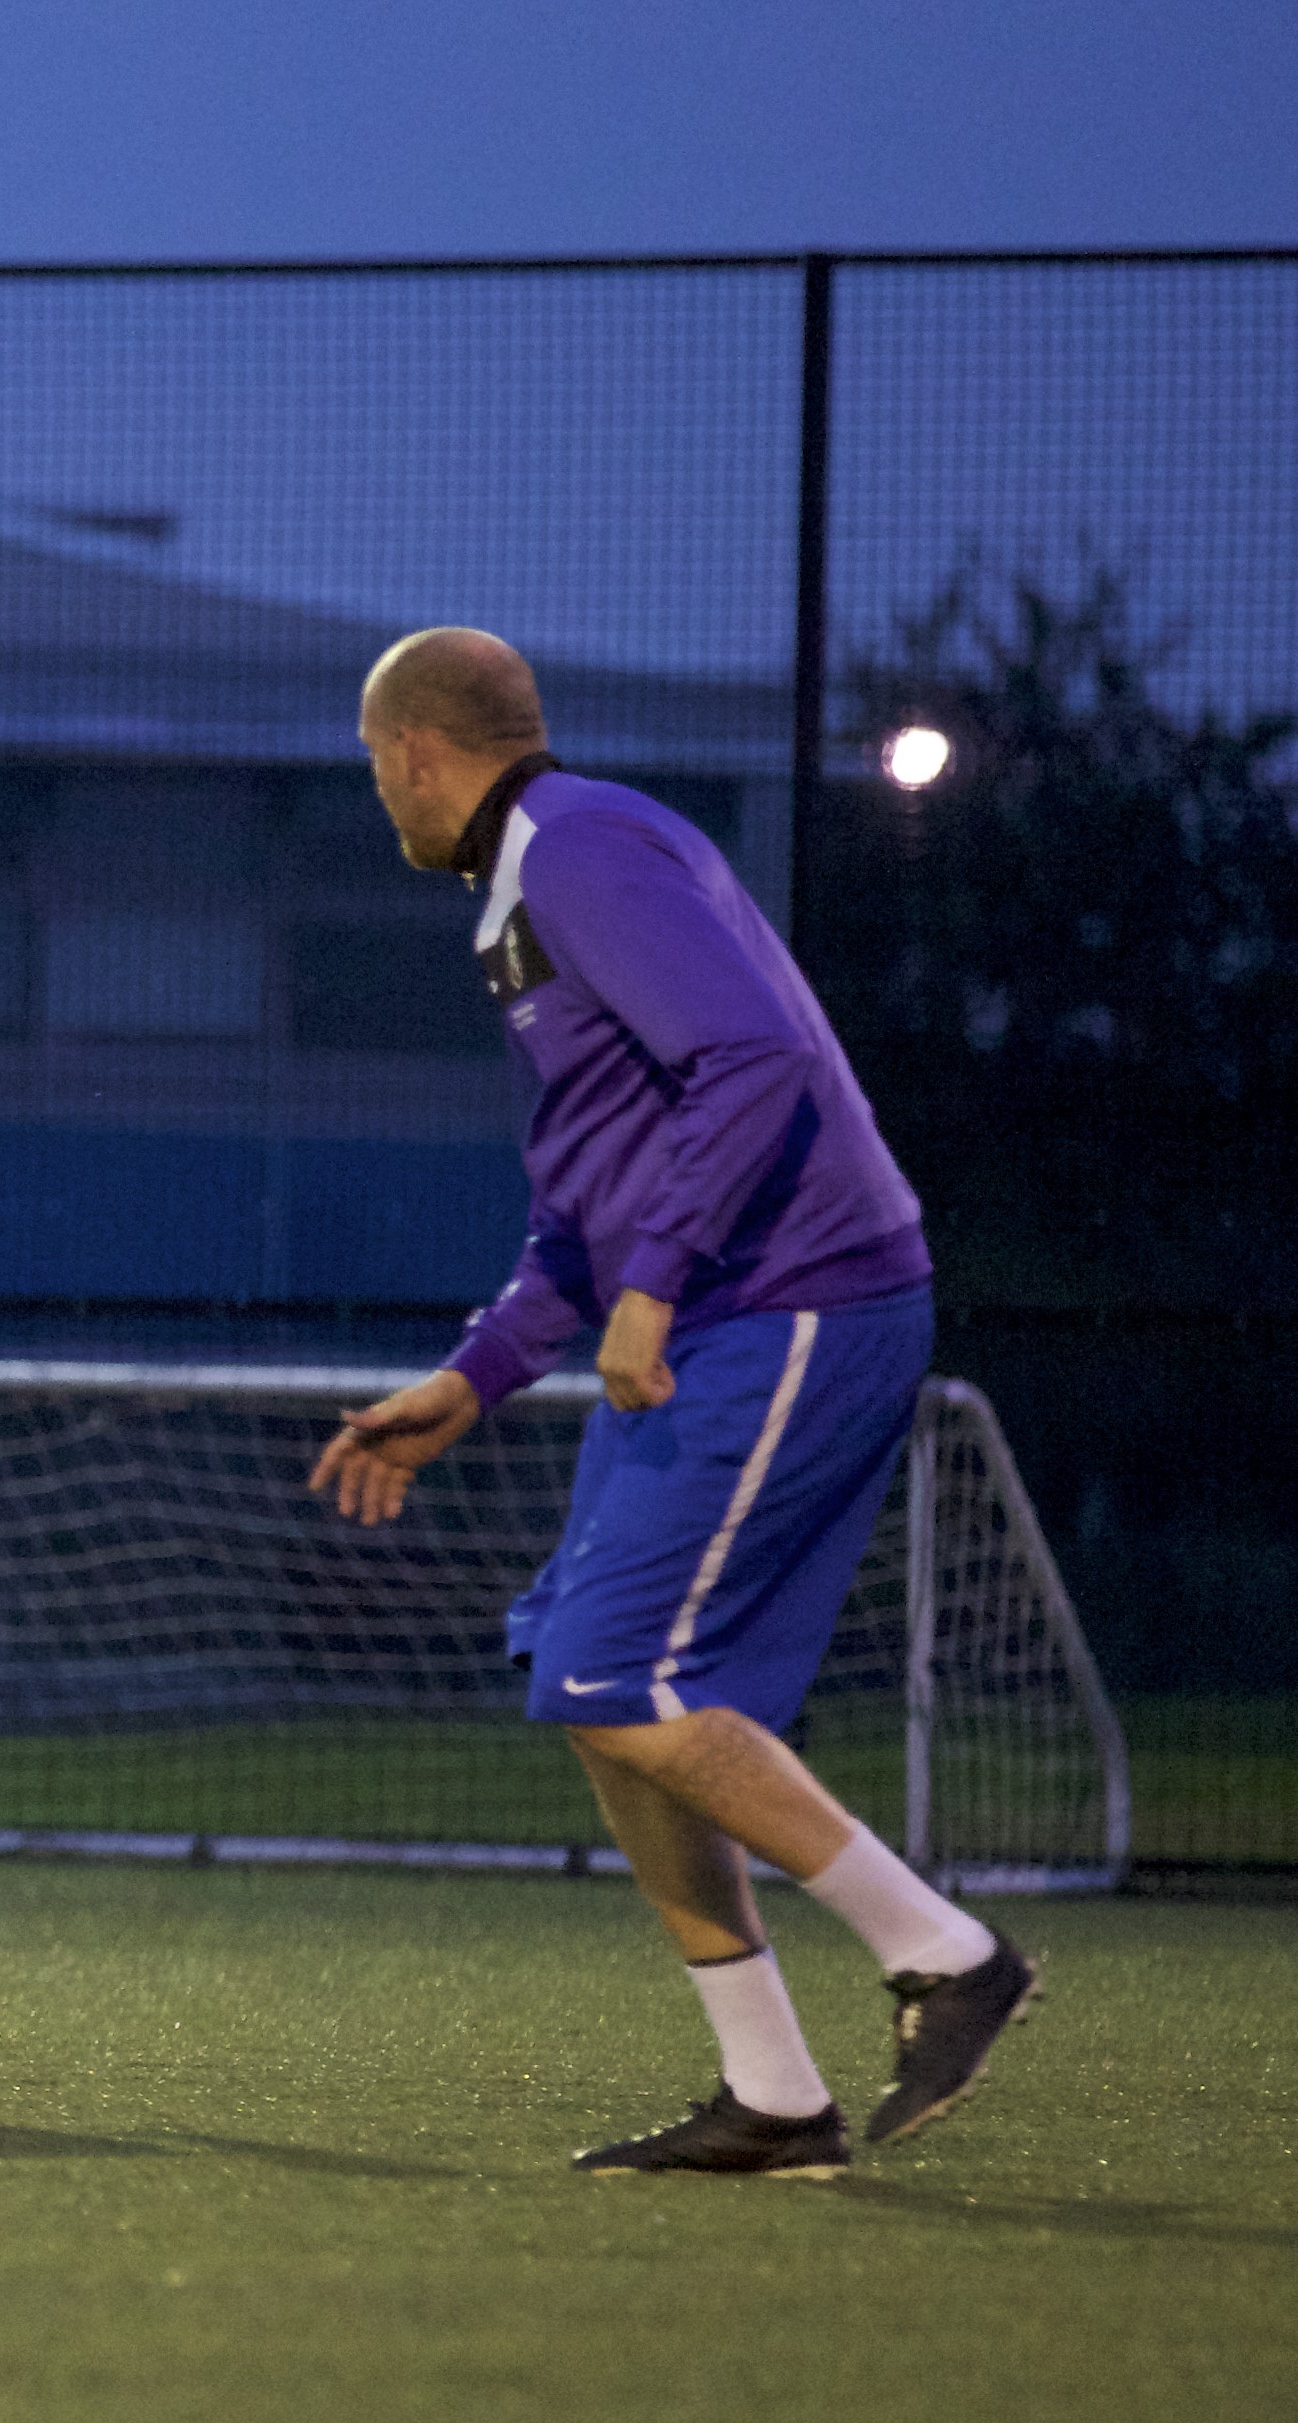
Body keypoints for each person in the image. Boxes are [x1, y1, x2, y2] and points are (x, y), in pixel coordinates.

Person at [310, 629, 1038, 2176]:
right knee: (593, 1687)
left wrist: (655, 1288)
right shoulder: (535, 881)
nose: (382, 794)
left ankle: (946, 1957)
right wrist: (478, 1374)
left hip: (788, 1303)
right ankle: (773, 2094)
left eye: (379, 765)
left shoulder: (578, 846)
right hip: (723, 1311)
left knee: (618, 1676)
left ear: (420, 752)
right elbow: (590, 1190)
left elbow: (750, 1058)